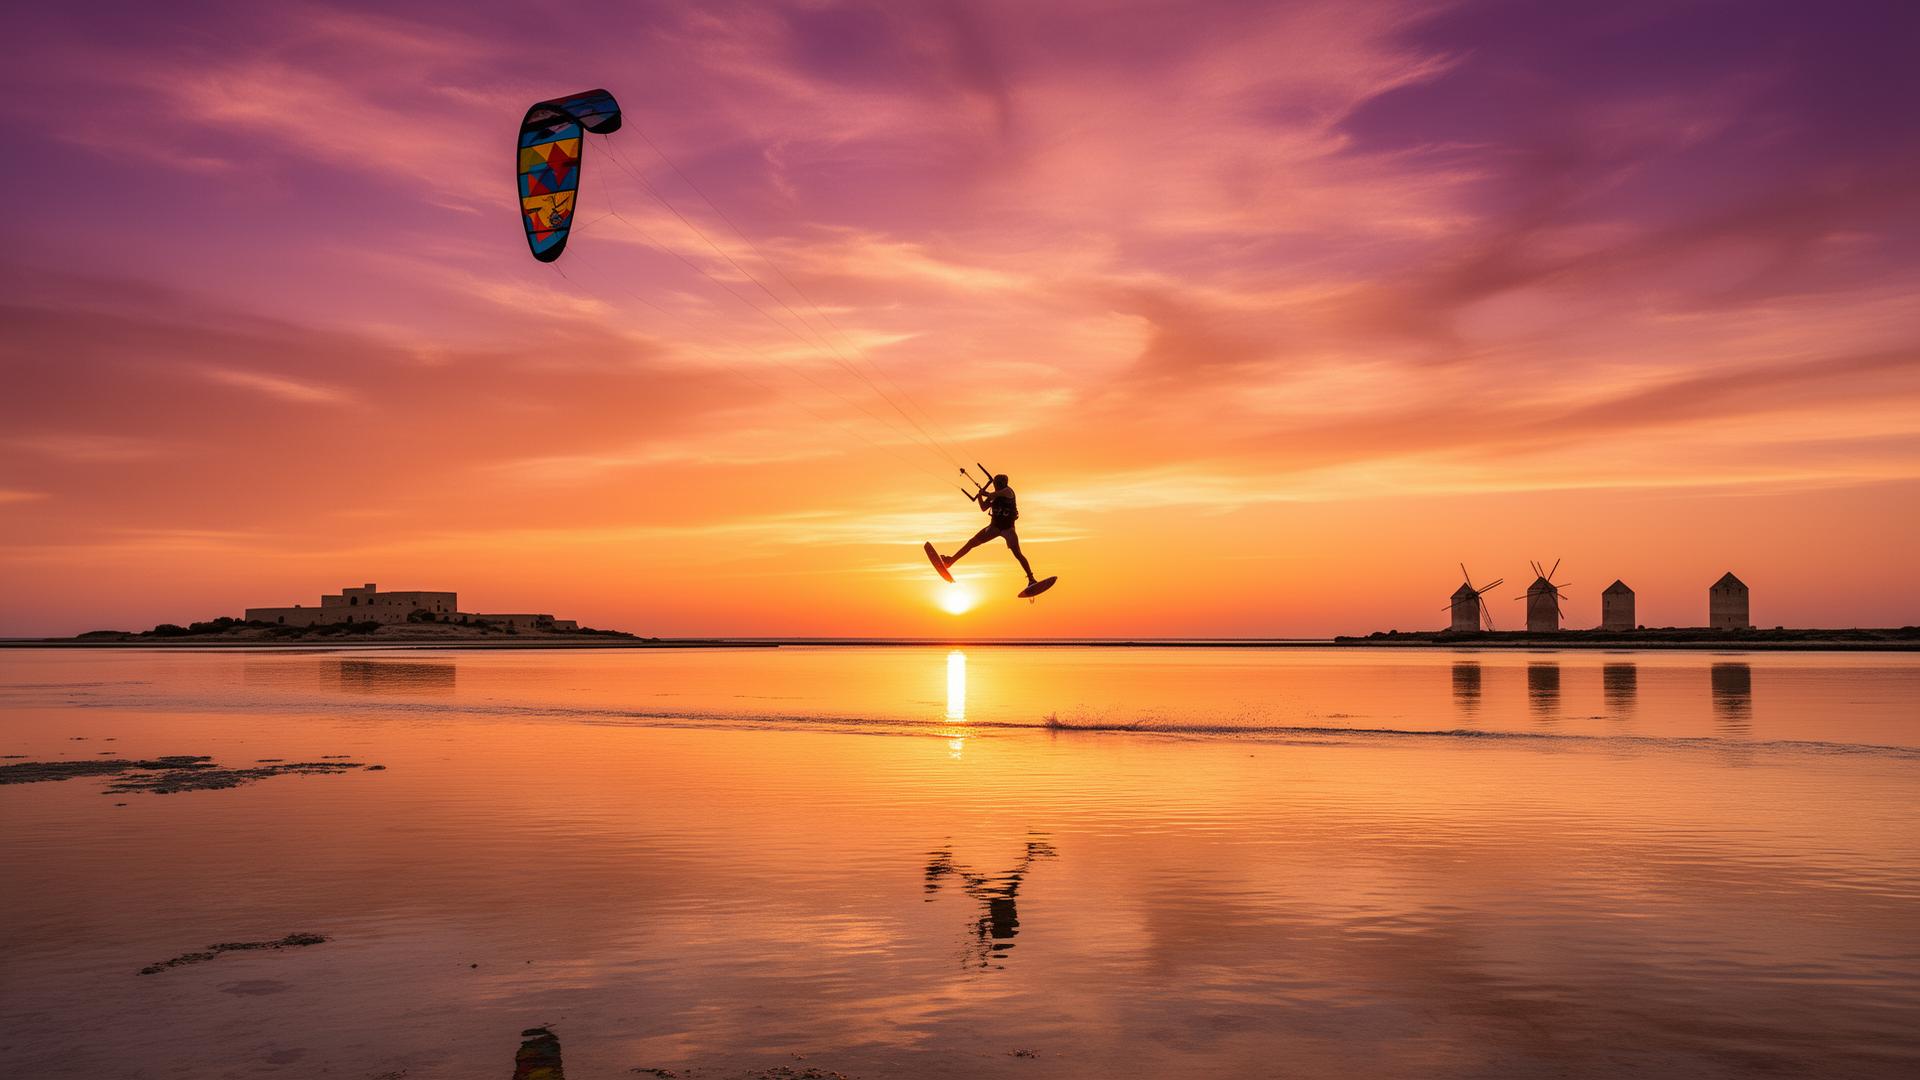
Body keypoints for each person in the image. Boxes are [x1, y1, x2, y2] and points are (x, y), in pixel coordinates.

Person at [943, 474, 1037, 588]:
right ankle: (950, 561)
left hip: (1008, 529)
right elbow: (983, 507)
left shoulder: (1008, 491)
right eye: (996, 483)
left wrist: (984, 493)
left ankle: (1031, 579)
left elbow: (993, 494)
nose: (997, 485)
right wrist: (979, 496)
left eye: (999, 483)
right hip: (994, 527)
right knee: (971, 543)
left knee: (1018, 554)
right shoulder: (994, 495)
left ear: (1004, 483)